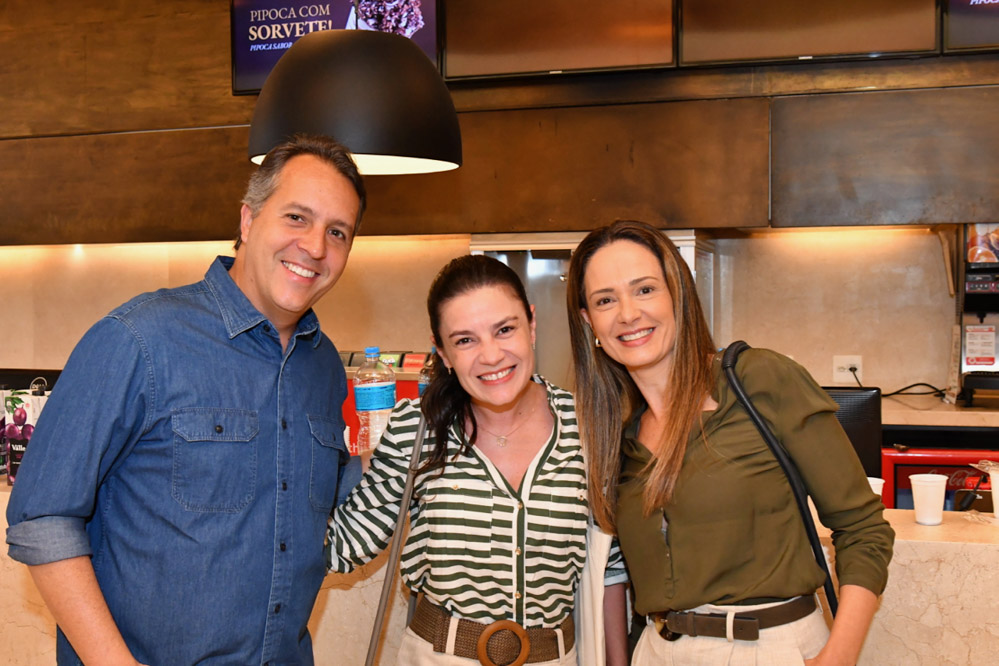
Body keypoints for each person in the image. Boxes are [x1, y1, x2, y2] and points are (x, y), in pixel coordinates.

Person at [6, 133, 366, 665]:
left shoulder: (325, 365)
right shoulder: (139, 339)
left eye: (337, 232)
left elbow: (327, 503)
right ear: (248, 220)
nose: (315, 246)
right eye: (297, 217)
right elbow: (42, 518)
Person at [565, 220, 894, 665]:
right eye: (605, 300)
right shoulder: (614, 437)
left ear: (678, 294)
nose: (628, 313)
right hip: (658, 651)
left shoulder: (759, 380)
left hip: (767, 647)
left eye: (644, 289)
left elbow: (863, 528)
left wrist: (838, 656)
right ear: (589, 321)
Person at [327, 254, 630, 665]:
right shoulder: (417, 428)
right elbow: (346, 544)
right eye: (465, 340)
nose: (491, 356)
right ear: (442, 352)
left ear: (532, 324)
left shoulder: (587, 426)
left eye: (505, 329)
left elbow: (610, 568)